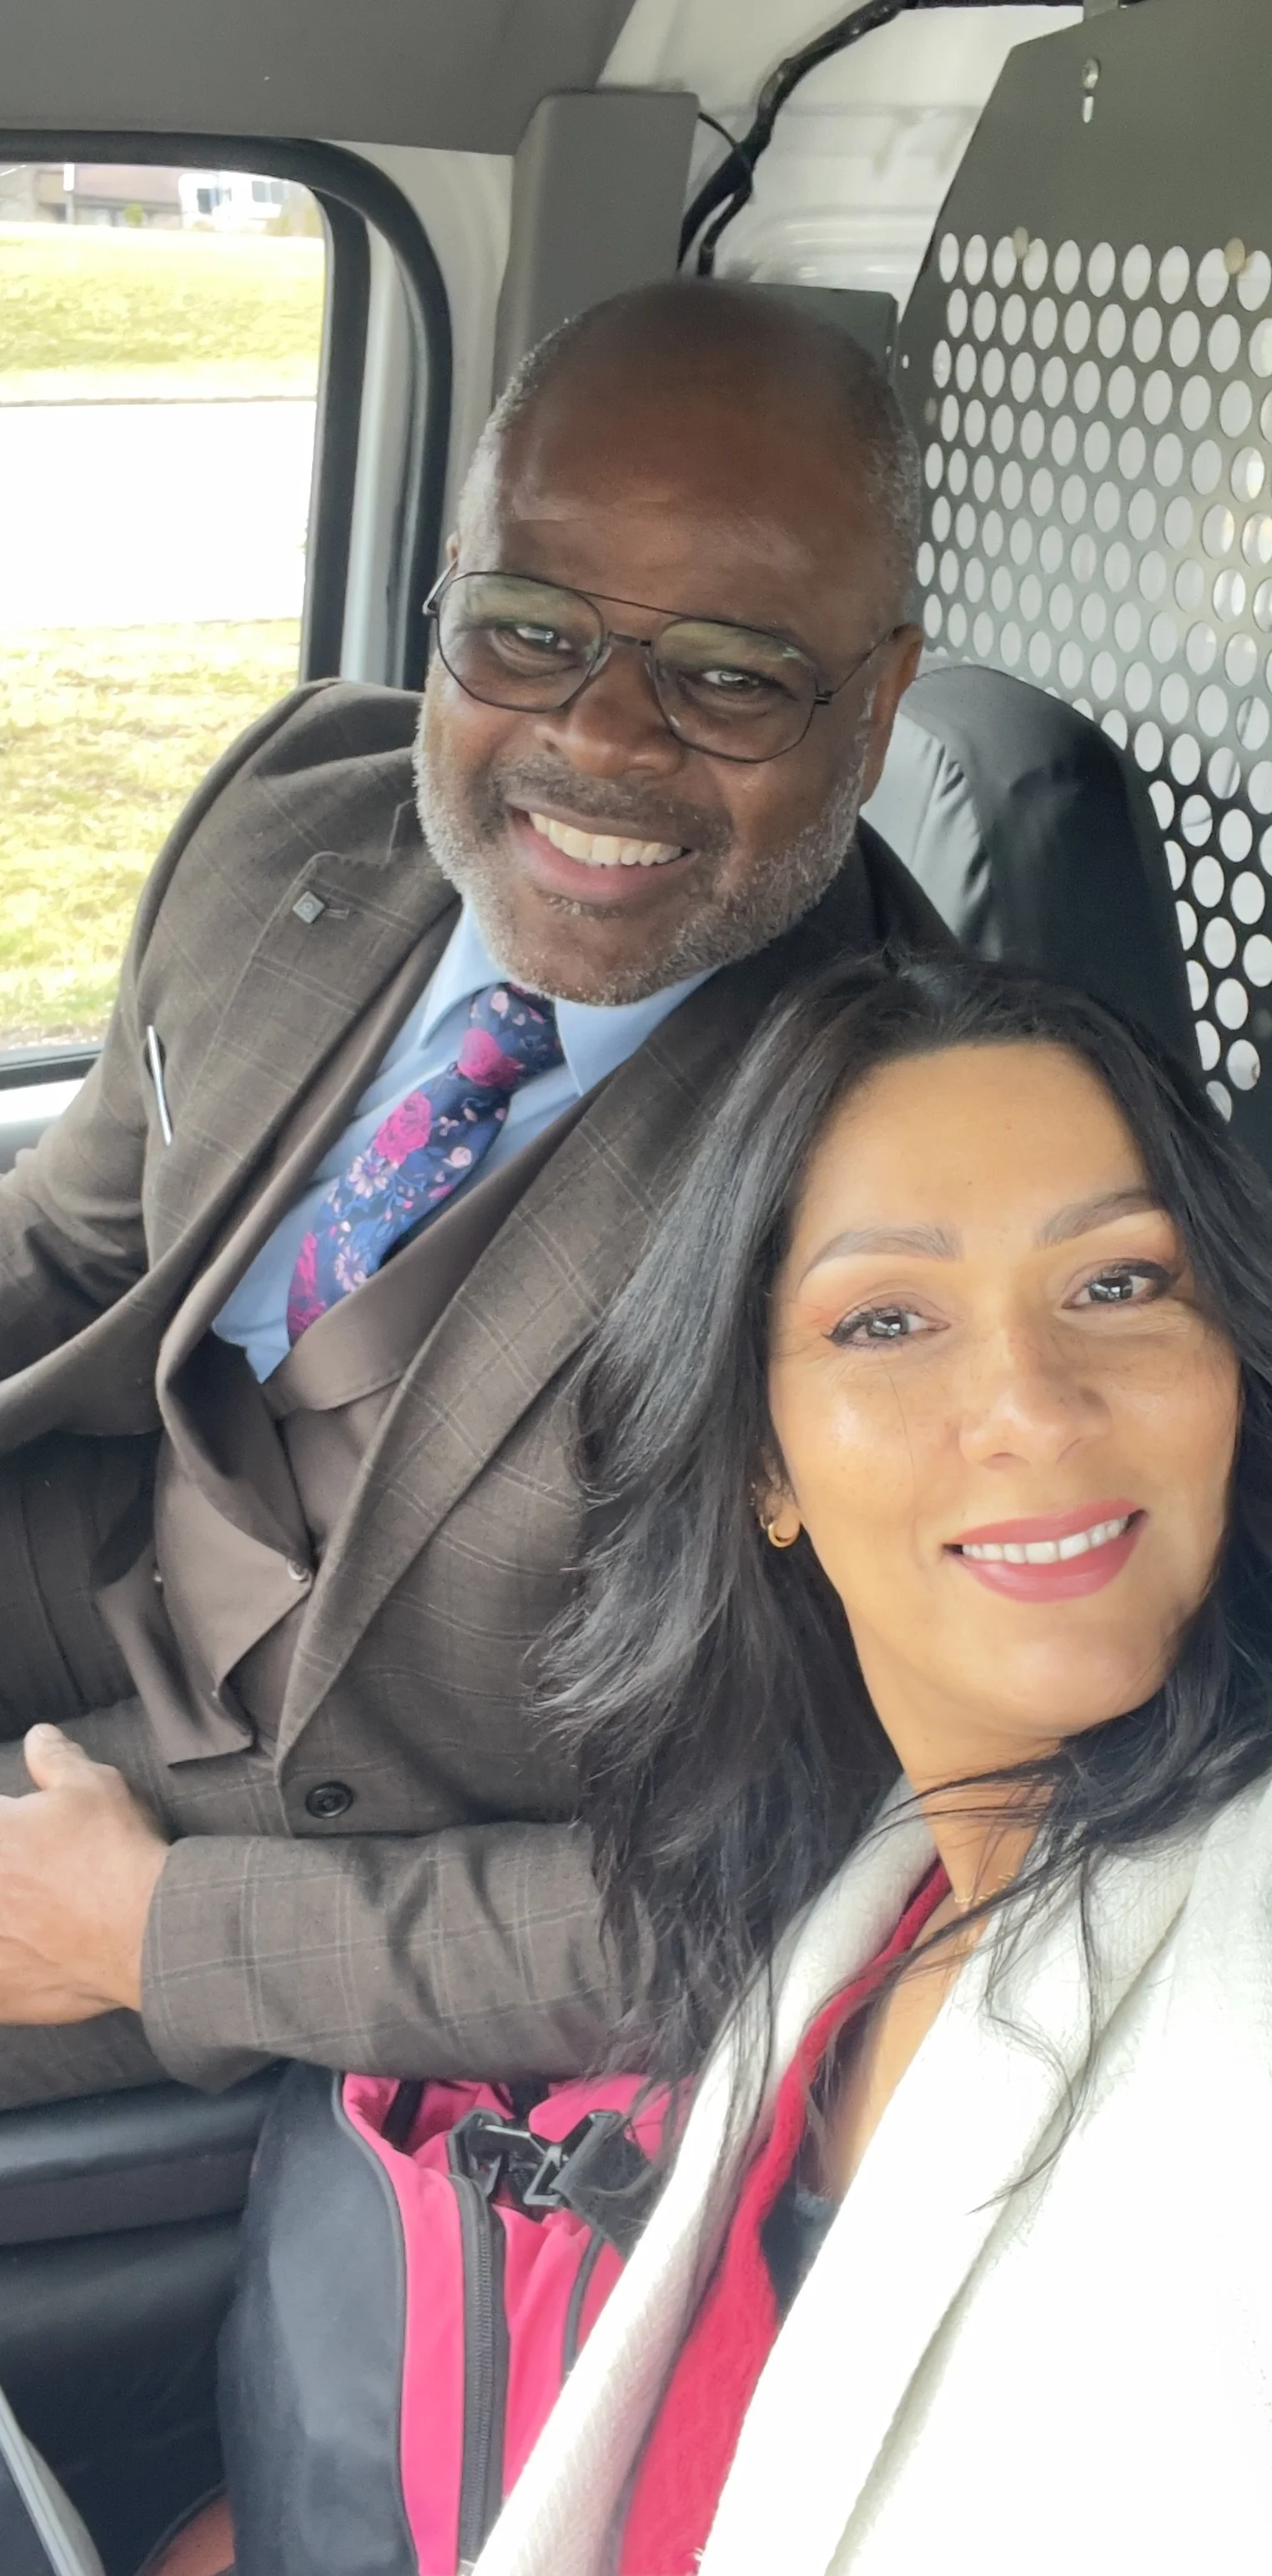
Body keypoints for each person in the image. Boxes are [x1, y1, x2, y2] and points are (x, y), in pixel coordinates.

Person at [0, 279, 948, 2110]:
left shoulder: (918, 1164)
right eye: (526, 630)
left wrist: (162, 1932)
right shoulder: (293, 813)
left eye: (733, 672)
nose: (604, 736)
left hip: (316, 1838)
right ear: (447, 598)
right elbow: (72, 1241)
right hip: (83, 1543)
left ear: (880, 694)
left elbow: (761, 1891)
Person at [448, 951, 1272, 2575]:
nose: (1032, 1410)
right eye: (889, 1320)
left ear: (1235, 1368)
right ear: (762, 1460)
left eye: (1118, 1283)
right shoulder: (863, 1893)